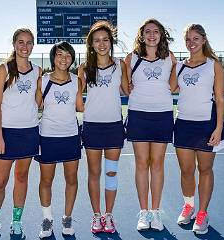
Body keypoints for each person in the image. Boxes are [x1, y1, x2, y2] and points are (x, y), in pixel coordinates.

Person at [0, 28, 41, 240]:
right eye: (21, 42)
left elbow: (38, 101)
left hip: (30, 132)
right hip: (6, 133)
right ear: (14, 44)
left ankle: (16, 221)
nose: (25, 47)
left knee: (22, 177)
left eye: (29, 43)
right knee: (0, 181)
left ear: (33, 46)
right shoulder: (3, 70)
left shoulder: (38, 71)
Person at [124, 18, 177, 231]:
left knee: (157, 164)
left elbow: (172, 86)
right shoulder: (132, 58)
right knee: (141, 163)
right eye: (148, 31)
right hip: (138, 115)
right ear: (142, 35)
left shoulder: (170, 58)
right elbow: (126, 87)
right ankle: (143, 212)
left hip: (162, 115)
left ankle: (155, 213)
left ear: (161, 35)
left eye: (156, 31)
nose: (152, 35)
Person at [173, 24, 224, 234]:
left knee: (205, 170)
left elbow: (220, 99)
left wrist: (219, 128)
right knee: (186, 171)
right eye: (188, 39)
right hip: (183, 124)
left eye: (196, 38)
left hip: (206, 125)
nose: (191, 43)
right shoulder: (179, 67)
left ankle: (202, 213)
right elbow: (168, 88)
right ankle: (189, 206)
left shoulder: (214, 66)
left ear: (204, 40)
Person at [78, 20, 130, 234]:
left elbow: (128, 90)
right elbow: (77, 97)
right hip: (92, 127)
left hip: (114, 127)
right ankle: (96, 215)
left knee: (111, 173)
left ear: (111, 42)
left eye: (105, 40)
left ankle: (109, 216)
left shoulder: (120, 64)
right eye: (97, 40)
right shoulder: (84, 68)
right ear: (91, 44)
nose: (102, 44)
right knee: (94, 173)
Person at [35, 41, 84, 238]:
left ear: (72, 58)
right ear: (53, 58)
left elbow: (80, 107)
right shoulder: (42, 80)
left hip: (71, 136)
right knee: (46, 180)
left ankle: (67, 218)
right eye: (59, 54)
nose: (64, 59)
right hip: (47, 136)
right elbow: (35, 106)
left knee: (71, 179)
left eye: (67, 55)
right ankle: (47, 219)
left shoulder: (77, 81)